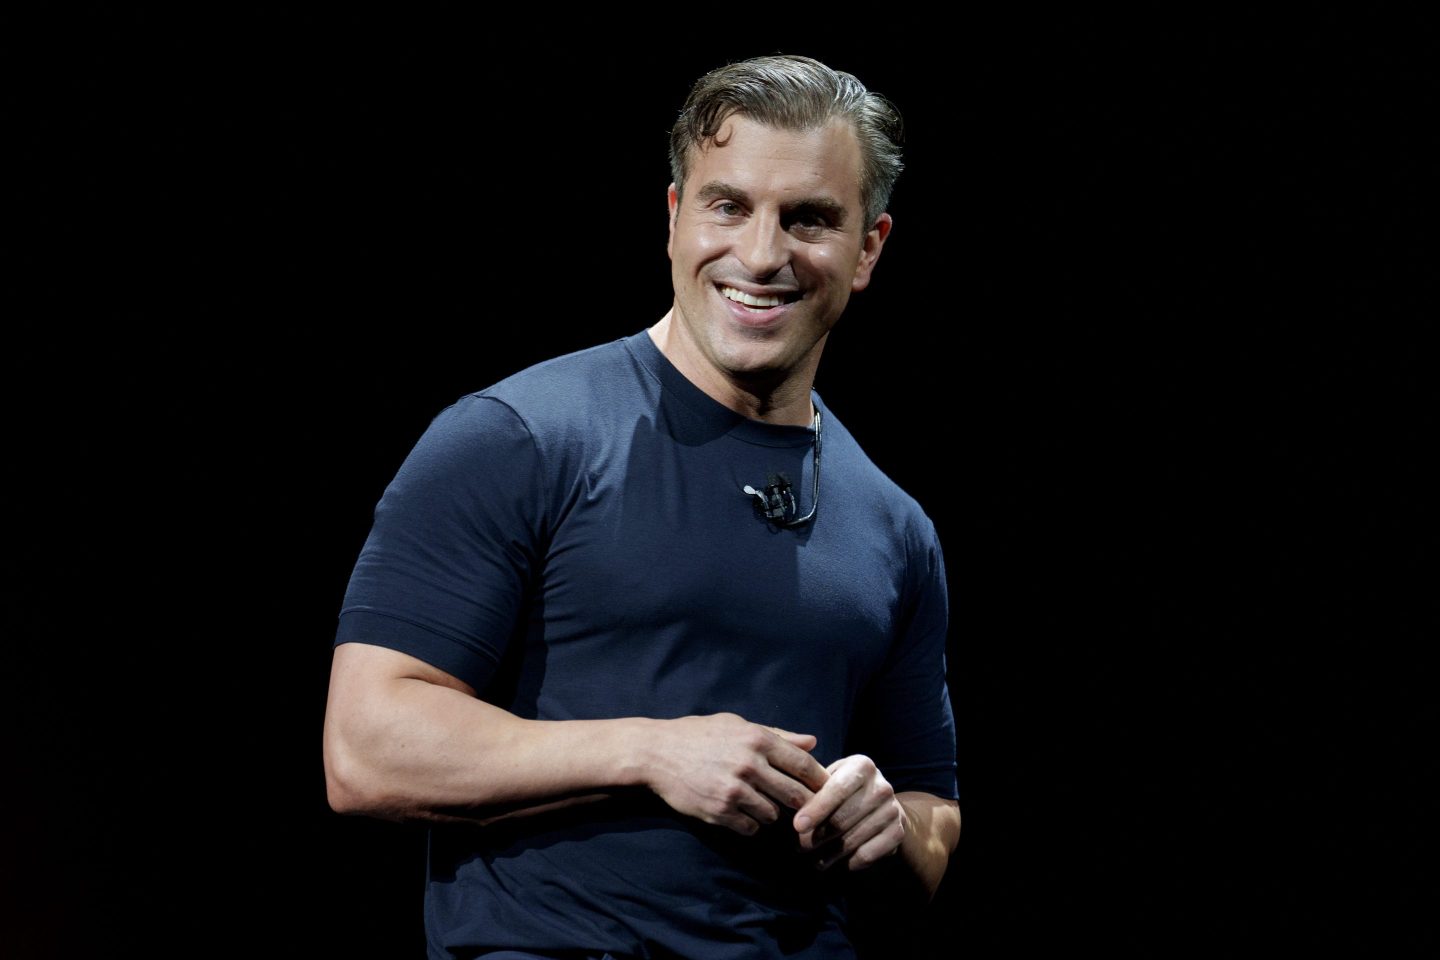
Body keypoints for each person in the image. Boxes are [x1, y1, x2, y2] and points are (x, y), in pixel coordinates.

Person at [323, 53, 961, 959]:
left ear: (868, 249)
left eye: (809, 218)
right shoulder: (517, 438)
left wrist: (888, 826)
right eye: (728, 206)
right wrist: (650, 753)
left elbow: (934, 818)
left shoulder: (895, 527)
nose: (761, 254)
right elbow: (364, 749)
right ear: (674, 217)